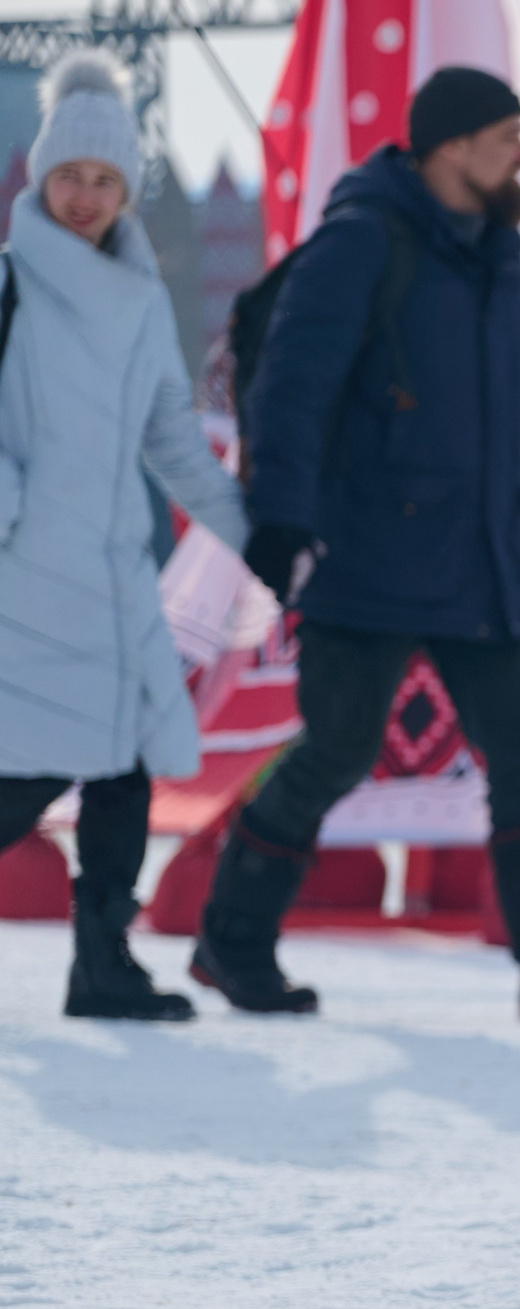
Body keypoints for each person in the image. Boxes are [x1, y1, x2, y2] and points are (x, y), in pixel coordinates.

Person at [195, 67, 520, 1022]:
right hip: (366, 559)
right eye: (507, 135)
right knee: (335, 748)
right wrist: (280, 525)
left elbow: (516, 424)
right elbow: (292, 384)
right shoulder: (361, 239)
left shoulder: (494, 248)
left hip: (486, 563)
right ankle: (230, 944)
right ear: (452, 146)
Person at [0, 53, 249, 1021]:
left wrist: (247, 533)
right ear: (39, 174)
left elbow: (172, 440)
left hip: (109, 571)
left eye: (105, 181)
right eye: (70, 176)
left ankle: (103, 962)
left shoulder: (141, 301)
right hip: (26, 573)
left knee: (121, 764)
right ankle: (101, 963)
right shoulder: (12, 288)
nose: (85, 197)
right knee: (35, 769)